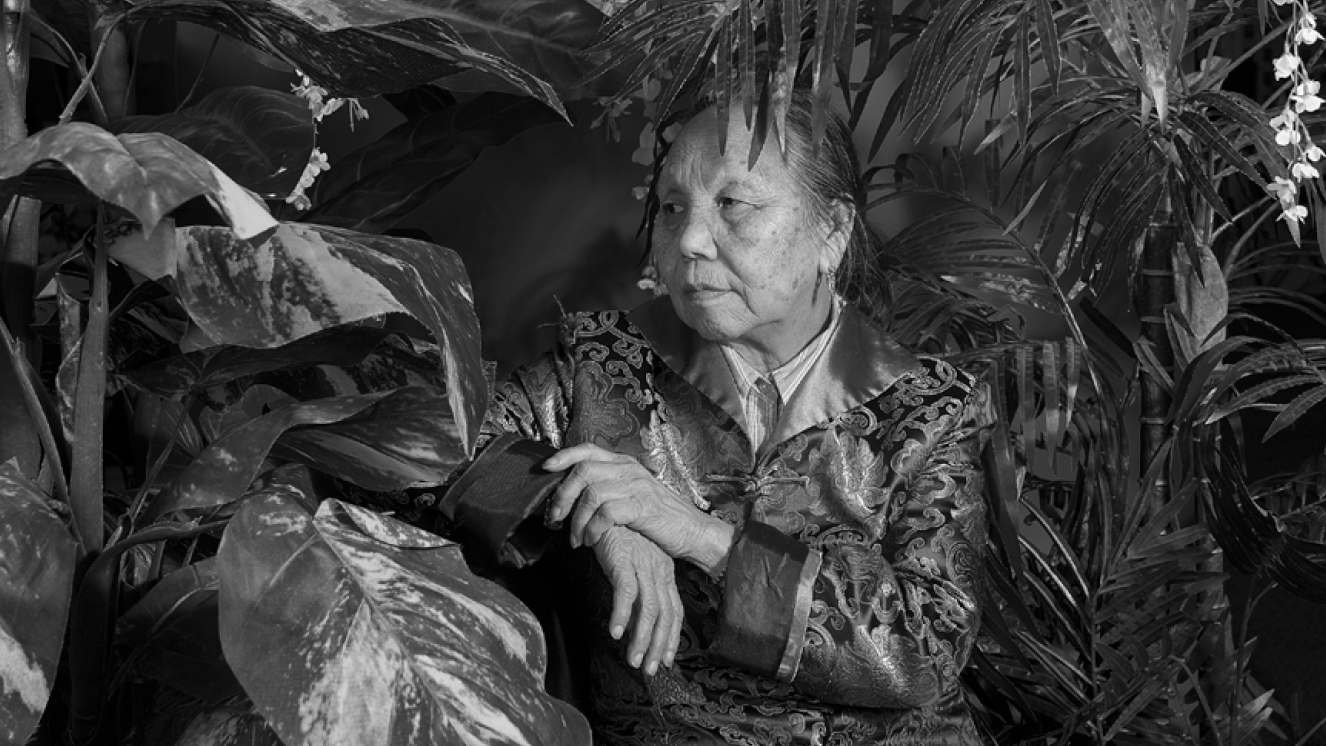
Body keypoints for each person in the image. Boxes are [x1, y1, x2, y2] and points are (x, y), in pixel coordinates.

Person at [440, 90, 995, 745]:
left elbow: (922, 657)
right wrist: (602, 515)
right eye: (672, 208)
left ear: (832, 232)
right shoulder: (605, 363)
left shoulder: (931, 405)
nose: (689, 241)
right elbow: (435, 440)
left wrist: (697, 535)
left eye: (733, 204)